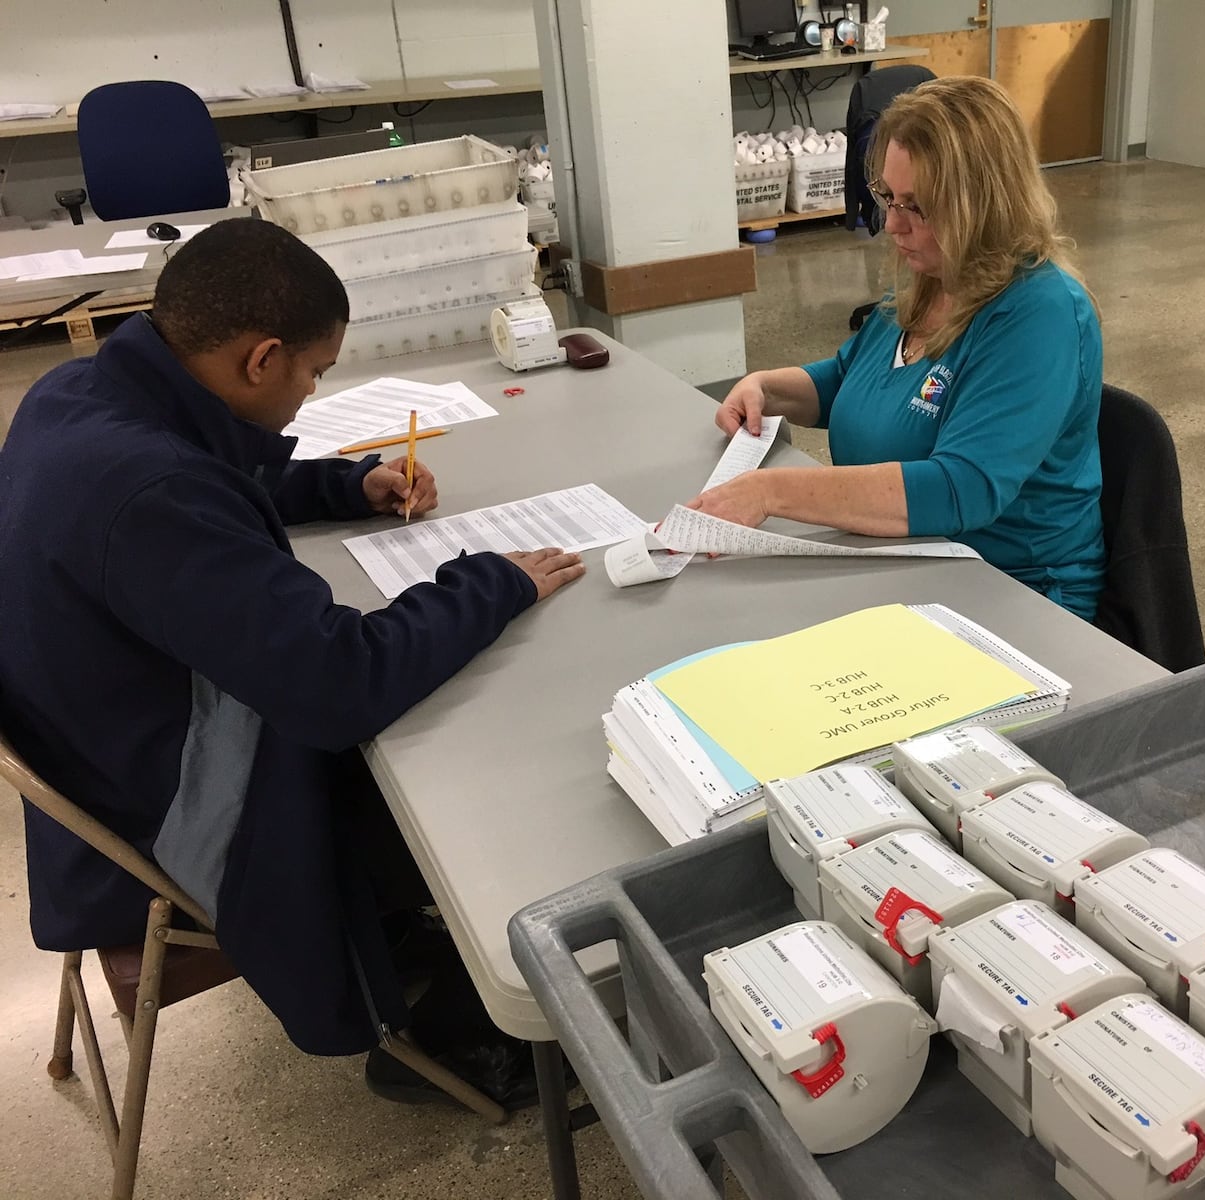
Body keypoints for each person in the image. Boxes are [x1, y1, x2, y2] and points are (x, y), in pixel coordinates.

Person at [0, 219, 584, 1107]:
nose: (314, 392)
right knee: (473, 783)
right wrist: (489, 583)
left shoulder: (78, 394)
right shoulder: (152, 493)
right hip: (167, 813)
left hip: (98, 758)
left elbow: (204, 474)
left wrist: (343, 485)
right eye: (315, 371)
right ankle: (460, 1039)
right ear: (261, 359)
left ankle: (405, 933)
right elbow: (337, 684)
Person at [691, 75, 1107, 620]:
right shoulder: (932, 274)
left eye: (917, 206)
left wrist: (771, 492)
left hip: (1011, 596)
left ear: (983, 204)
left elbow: (962, 488)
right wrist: (767, 389)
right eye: (888, 196)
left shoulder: (1041, 314)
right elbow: (848, 378)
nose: (891, 224)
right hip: (905, 565)